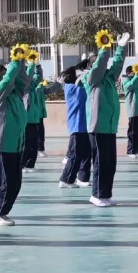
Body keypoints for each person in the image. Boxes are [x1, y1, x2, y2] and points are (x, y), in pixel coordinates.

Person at [82, 33, 132, 207]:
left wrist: (121, 48)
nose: (104, 65)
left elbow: (117, 64)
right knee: (100, 162)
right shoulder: (90, 78)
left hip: (109, 128)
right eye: (98, 63)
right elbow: (99, 65)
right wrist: (104, 48)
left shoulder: (109, 78)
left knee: (110, 163)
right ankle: (96, 194)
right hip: (97, 127)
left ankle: (105, 194)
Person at [0, 55, 26, 225]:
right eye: (3, 72)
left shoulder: (13, 94)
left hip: (15, 144)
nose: (7, 74)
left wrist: (22, 63)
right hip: (2, 144)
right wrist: (15, 62)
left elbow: (23, 81)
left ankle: (3, 211)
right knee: (7, 182)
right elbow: (7, 82)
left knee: (15, 183)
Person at [59, 61, 92, 190]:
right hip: (77, 126)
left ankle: (82, 178)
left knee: (86, 154)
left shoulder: (75, 87)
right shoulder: (73, 89)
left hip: (84, 126)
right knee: (75, 154)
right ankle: (66, 179)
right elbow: (88, 88)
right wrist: (86, 72)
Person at [20, 58, 44, 173]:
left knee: (33, 143)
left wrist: (37, 66)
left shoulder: (32, 86)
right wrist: (30, 66)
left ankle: (30, 164)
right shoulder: (22, 86)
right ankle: (22, 164)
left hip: (34, 119)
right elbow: (28, 79)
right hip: (25, 120)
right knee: (26, 143)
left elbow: (38, 78)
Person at [122, 64, 138, 158]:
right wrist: (137, 76)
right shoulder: (126, 81)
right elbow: (131, 85)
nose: (137, 72)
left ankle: (137, 149)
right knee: (133, 132)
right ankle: (131, 150)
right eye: (134, 70)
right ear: (129, 72)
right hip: (133, 111)